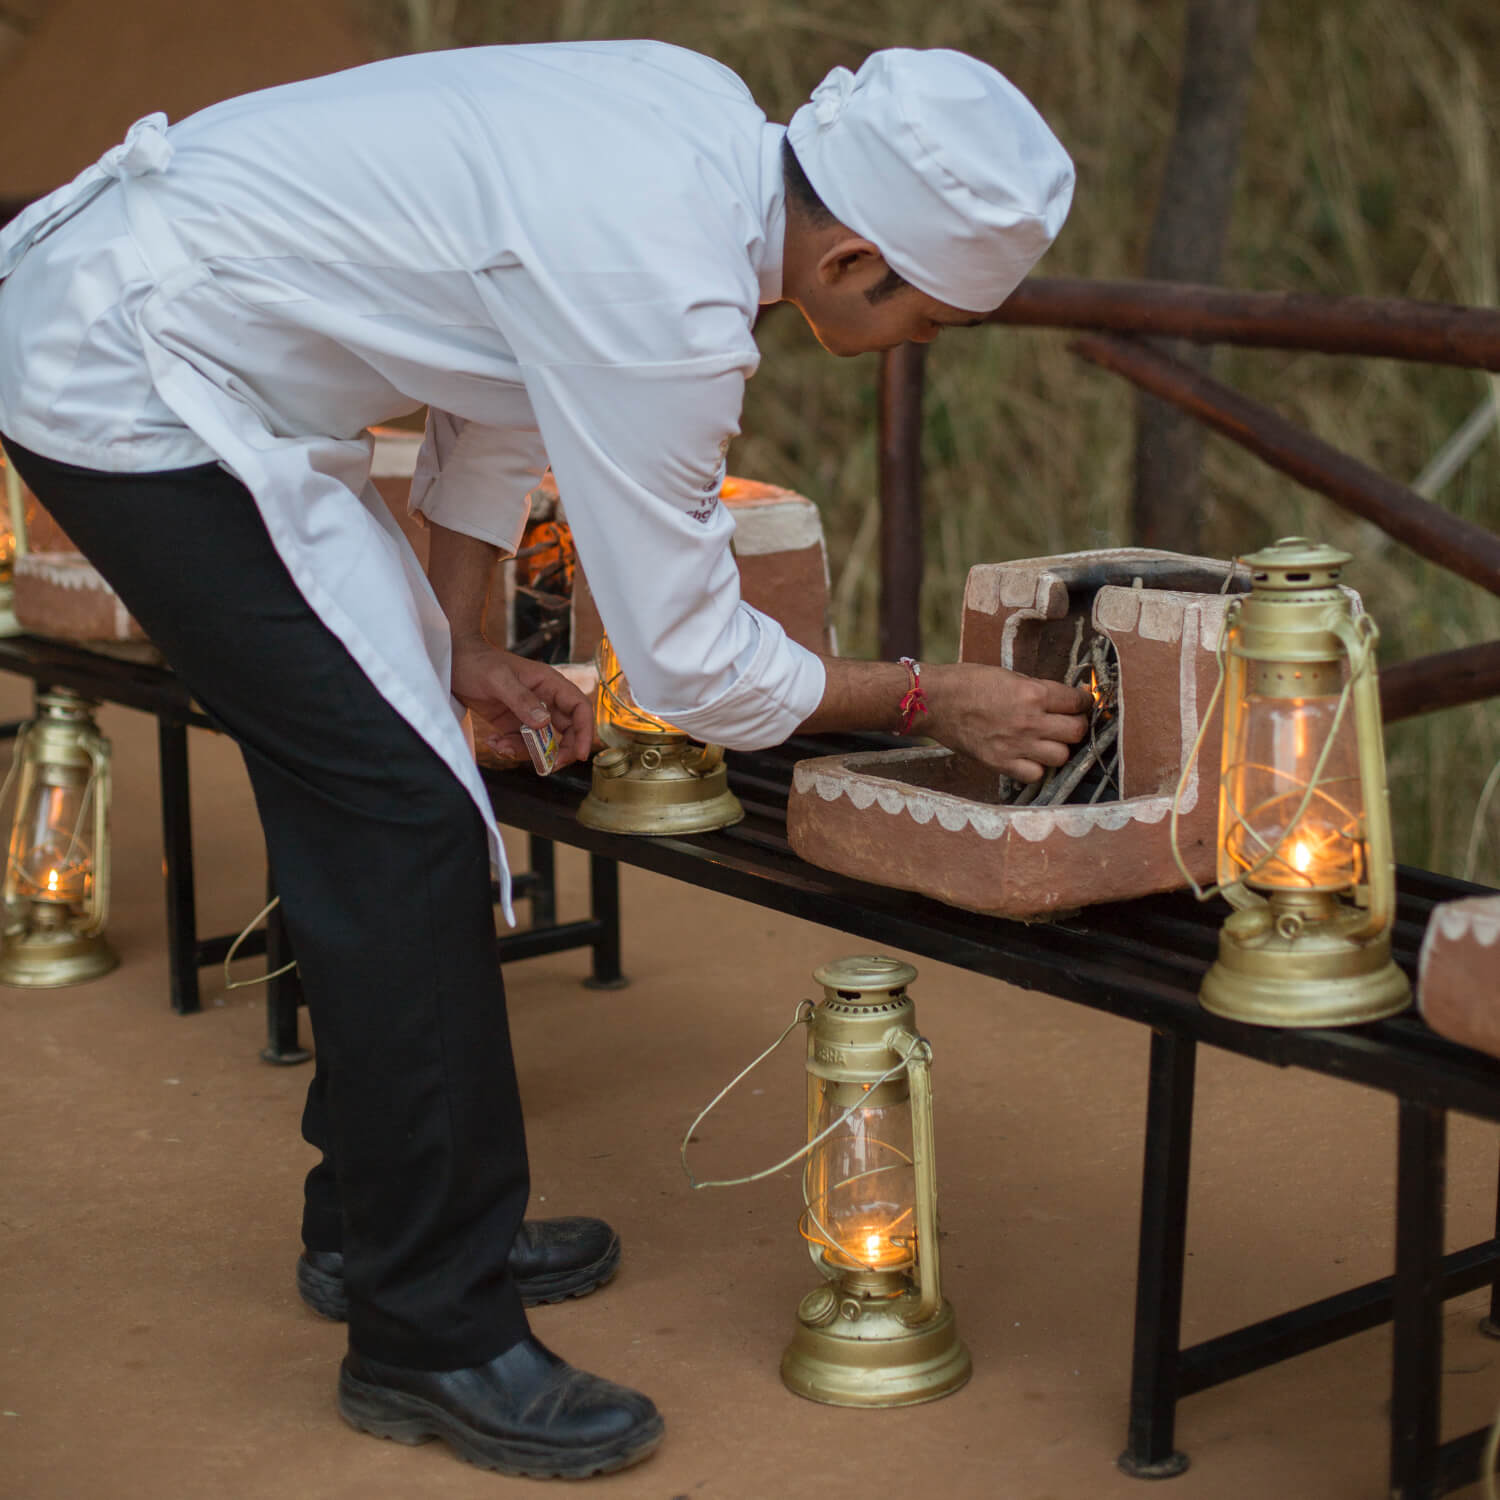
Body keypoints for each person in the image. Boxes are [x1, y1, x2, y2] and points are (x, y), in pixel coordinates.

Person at [0, 41, 1086, 1479]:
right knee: (401, 824)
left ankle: (381, 1220)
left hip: (155, 322)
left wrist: (454, 647)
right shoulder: (672, 300)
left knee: (388, 790)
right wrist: (923, 699)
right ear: (856, 266)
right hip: (129, 376)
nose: (923, 349)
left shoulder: (692, 122)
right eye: (933, 322)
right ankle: (429, 1334)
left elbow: (498, 378)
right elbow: (695, 664)